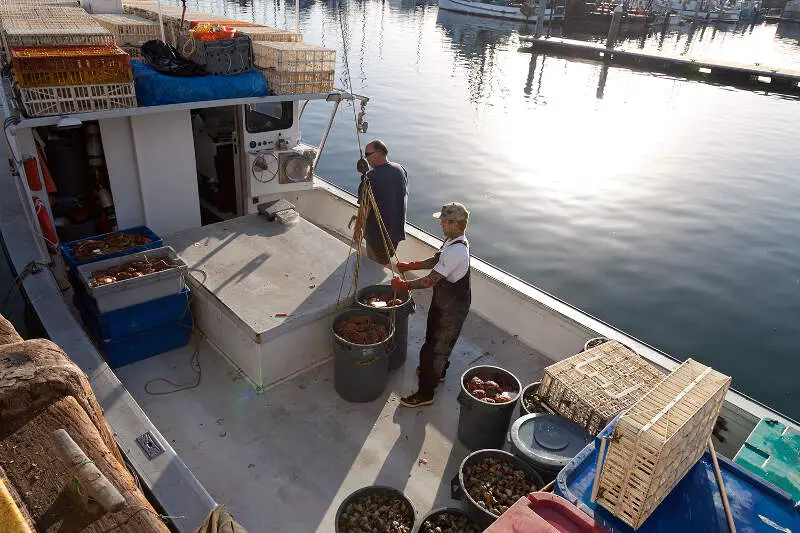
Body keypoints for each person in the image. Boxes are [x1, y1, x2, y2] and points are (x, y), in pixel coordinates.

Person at [391, 202, 471, 408]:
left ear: (455, 223)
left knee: (432, 350)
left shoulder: (457, 251)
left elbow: (428, 281)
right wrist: (412, 265)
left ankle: (426, 393)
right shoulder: (453, 241)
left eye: (445, 221)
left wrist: (404, 285)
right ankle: (440, 373)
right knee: (436, 341)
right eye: (442, 220)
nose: (442, 224)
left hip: (452, 309)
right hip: (444, 302)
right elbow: (437, 260)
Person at [353, 140, 408, 265]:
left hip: (377, 236)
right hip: (395, 233)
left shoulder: (371, 179)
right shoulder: (400, 170)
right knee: (384, 261)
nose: (365, 158)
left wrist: (358, 231)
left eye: (367, 154)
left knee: (374, 266)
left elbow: (364, 210)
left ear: (378, 153)